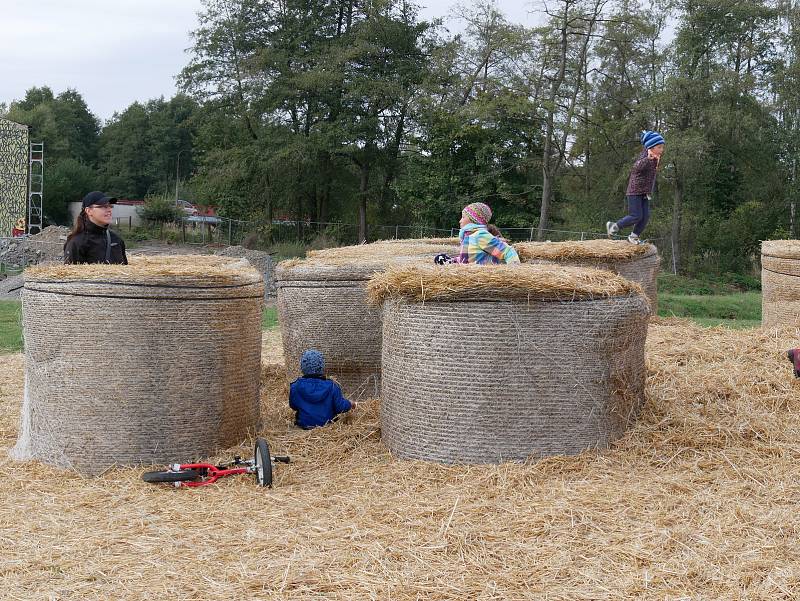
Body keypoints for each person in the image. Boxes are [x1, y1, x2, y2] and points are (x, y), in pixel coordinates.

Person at [606, 130, 665, 244]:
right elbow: (636, 168)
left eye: (662, 147)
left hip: (644, 192)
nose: (662, 150)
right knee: (636, 216)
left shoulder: (655, 158)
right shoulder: (645, 156)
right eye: (659, 147)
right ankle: (614, 226)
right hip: (635, 191)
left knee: (645, 216)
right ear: (651, 147)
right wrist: (648, 159)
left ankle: (633, 237)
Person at [434, 202, 520, 265]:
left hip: (481, 280)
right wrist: (453, 261)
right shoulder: (469, 236)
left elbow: (507, 251)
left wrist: (514, 270)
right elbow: (468, 259)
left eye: (463, 217)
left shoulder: (480, 236)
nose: (460, 221)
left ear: (474, 220)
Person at [289, 350, 352, 429]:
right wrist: (350, 404)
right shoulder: (332, 386)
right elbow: (340, 407)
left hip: (304, 425)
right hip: (328, 426)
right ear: (322, 367)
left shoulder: (295, 386)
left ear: (302, 367)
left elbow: (293, 406)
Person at [64, 191, 128, 264]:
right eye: (103, 206)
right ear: (88, 211)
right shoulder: (77, 243)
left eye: (110, 206)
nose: (109, 210)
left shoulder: (116, 240)